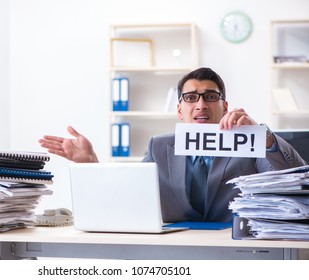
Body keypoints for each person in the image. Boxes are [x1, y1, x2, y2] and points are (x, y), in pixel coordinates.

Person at [38, 67, 306, 223]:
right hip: (176, 251)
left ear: (225, 105)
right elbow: (130, 198)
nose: (201, 105)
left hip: (237, 248)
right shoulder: (159, 146)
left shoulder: (249, 140)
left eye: (210, 97)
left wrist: (263, 136)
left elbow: (293, 180)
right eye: (191, 98)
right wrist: (91, 165)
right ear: (180, 109)